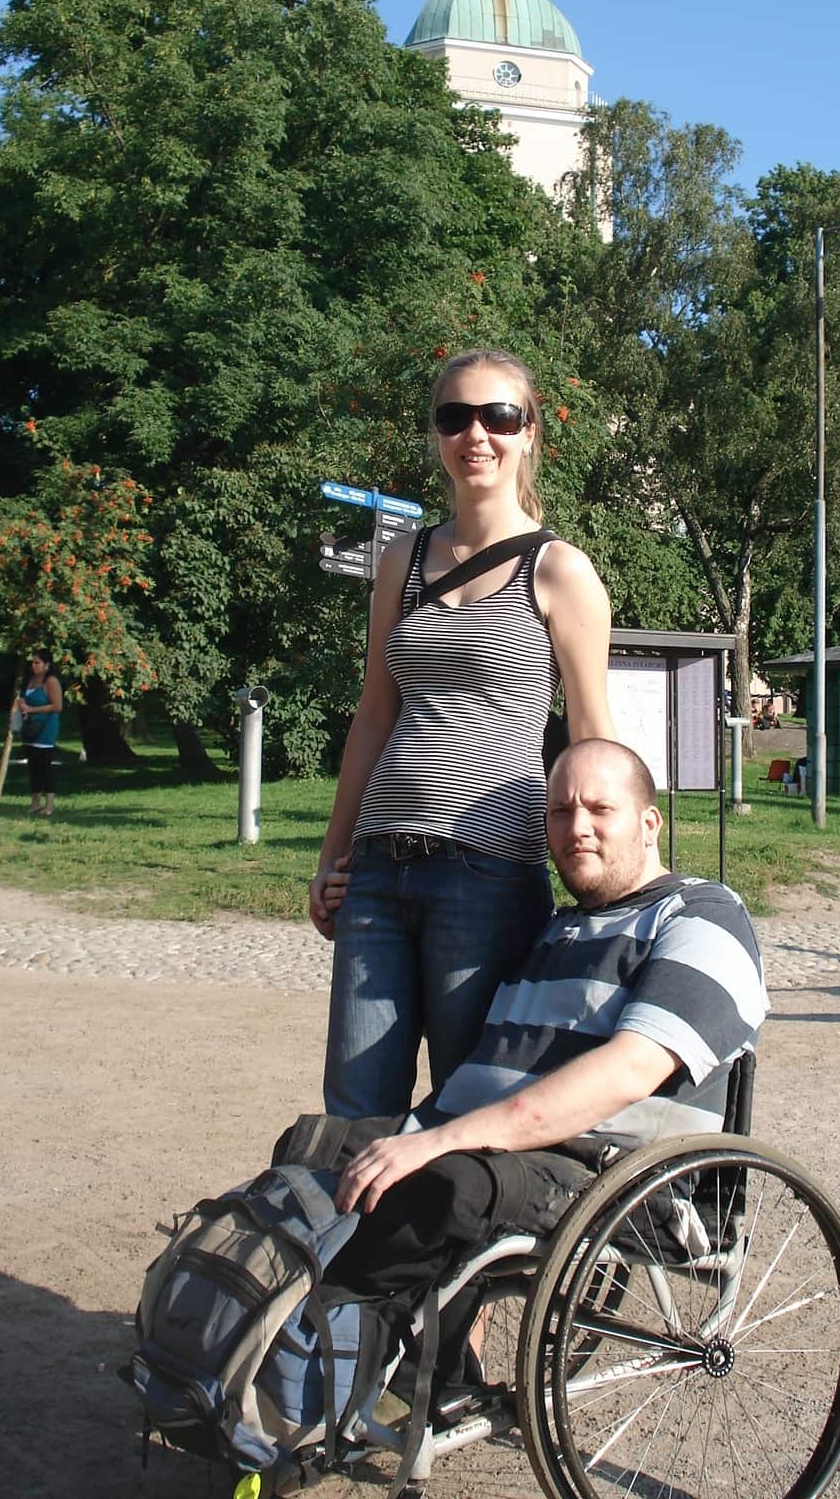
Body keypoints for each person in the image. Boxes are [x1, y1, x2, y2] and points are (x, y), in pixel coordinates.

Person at [323, 739, 769, 1346]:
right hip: (504, 1153)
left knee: (437, 1191)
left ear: (649, 823)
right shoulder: (557, 931)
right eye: (559, 812)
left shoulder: (702, 918)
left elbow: (629, 1071)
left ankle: (331, 1374)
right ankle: (288, 1356)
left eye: (598, 810)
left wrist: (438, 1140)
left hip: (612, 1176)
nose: (576, 828)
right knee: (321, 1153)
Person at [311, 349, 615, 1120]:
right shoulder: (401, 561)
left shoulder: (560, 571)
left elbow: (591, 741)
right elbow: (374, 714)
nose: (475, 434)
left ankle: (455, 1247)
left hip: (487, 874)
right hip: (378, 867)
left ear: (529, 433)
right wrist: (330, 857)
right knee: (356, 1110)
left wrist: (617, 886)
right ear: (437, 435)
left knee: (467, 1106)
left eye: (498, 417)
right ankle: (355, 1246)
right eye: (455, 417)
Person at [18, 648, 63, 817]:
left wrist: (33, 709)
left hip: (45, 729)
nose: (34, 666)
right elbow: (24, 699)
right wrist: (22, 703)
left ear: (46, 665)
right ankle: (35, 802)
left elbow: (57, 706)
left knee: (44, 766)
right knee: (33, 767)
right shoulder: (31, 680)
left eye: (37, 663)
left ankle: (49, 804)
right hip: (30, 728)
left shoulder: (50, 681)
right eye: (33, 662)